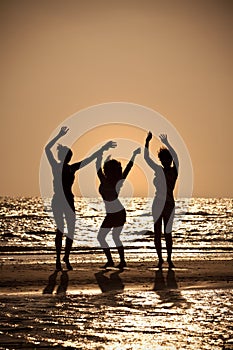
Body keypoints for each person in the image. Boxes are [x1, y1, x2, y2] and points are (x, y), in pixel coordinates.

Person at [45, 126, 116, 271]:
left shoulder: (72, 168)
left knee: (70, 230)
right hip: (58, 200)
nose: (66, 158)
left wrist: (103, 148)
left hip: (69, 200)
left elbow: (89, 159)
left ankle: (66, 257)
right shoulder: (56, 166)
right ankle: (58, 259)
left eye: (68, 156)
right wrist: (58, 135)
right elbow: (47, 149)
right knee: (60, 229)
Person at [96, 147, 141, 269]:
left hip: (118, 213)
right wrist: (100, 154)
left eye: (108, 170)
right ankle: (111, 261)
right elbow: (98, 169)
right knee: (101, 237)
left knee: (114, 237)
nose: (106, 172)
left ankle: (121, 261)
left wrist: (134, 155)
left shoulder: (117, 182)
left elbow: (128, 168)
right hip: (111, 213)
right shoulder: (105, 180)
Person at [144, 132, 179, 268]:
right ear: (161, 160)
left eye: (167, 159)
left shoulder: (174, 171)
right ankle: (160, 259)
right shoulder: (158, 170)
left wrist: (168, 143)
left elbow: (176, 157)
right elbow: (146, 158)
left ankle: (169, 259)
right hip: (158, 203)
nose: (166, 162)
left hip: (169, 204)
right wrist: (147, 142)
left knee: (168, 232)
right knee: (157, 232)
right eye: (163, 159)